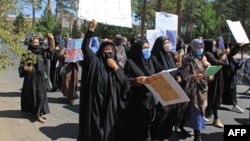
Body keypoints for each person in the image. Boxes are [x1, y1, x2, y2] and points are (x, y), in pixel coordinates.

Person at [78, 20, 132, 141]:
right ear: (101, 51)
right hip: (96, 104)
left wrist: (116, 68)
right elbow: (85, 48)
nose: (109, 51)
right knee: (94, 132)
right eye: (106, 49)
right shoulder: (95, 61)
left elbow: (125, 84)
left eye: (111, 50)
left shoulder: (116, 65)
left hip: (111, 106)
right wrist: (90, 30)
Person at [124, 38, 156, 141]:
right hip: (137, 103)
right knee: (138, 130)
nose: (147, 50)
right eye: (144, 48)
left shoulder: (150, 61)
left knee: (147, 129)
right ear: (138, 49)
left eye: (148, 47)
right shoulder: (130, 63)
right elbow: (125, 82)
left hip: (150, 101)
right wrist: (137, 81)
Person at [150, 36, 181, 140]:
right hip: (161, 91)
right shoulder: (154, 57)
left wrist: (178, 76)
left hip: (172, 90)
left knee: (170, 115)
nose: (167, 45)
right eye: (165, 43)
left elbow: (174, 70)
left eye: (168, 42)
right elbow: (153, 73)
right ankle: (156, 136)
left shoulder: (169, 56)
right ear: (160, 45)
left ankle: (164, 136)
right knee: (161, 116)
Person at [180, 39, 208, 141]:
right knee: (197, 111)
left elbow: (210, 76)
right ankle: (198, 136)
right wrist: (195, 77)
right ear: (192, 47)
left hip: (202, 90)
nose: (200, 49)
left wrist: (207, 67)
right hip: (192, 90)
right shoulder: (187, 59)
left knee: (190, 111)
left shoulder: (203, 59)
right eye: (198, 47)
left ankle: (181, 124)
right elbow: (184, 75)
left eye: (201, 47)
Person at [19, 37, 50, 123]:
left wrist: (51, 39)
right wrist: (28, 68)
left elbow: (51, 49)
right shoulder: (27, 54)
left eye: (37, 42)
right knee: (32, 95)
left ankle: (38, 113)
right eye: (34, 42)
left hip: (40, 78)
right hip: (31, 78)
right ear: (31, 43)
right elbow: (22, 66)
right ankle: (37, 114)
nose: (36, 44)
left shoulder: (41, 52)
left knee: (40, 96)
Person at [204, 39, 229, 128]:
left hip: (218, 78)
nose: (215, 47)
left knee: (216, 97)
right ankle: (216, 118)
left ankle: (208, 114)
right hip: (212, 80)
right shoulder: (207, 54)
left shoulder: (214, 53)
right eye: (213, 45)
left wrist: (223, 53)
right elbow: (218, 63)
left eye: (216, 45)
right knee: (213, 98)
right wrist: (224, 55)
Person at [222, 43, 244, 113]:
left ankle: (234, 104)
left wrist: (239, 64)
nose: (230, 49)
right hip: (226, 75)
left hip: (231, 75)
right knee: (230, 89)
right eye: (230, 47)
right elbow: (232, 53)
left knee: (232, 89)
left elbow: (233, 63)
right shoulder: (224, 54)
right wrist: (238, 46)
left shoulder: (229, 56)